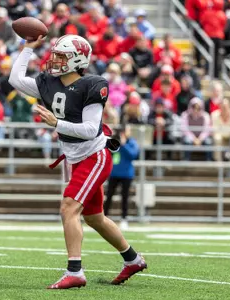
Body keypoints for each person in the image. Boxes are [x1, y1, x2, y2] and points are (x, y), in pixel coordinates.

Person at [9, 34, 146, 289]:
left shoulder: (92, 85)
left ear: (78, 60)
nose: (55, 60)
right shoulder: (48, 82)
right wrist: (28, 48)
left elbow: (90, 129)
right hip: (73, 157)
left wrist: (56, 123)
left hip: (94, 155)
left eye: (62, 56)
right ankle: (133, 259)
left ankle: (75, 271)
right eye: (55, 54)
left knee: (68, 208)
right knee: (94, 218)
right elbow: (15, 79)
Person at [103, 124, 139, 230]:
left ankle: (124, 218)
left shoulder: (131, 142)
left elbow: (133, 155)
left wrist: (123, 144)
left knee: (125, 197)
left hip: (126, 174)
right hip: (114, 173)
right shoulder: (115, 141)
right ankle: (104, 216)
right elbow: (107, 151)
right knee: (109, 196)